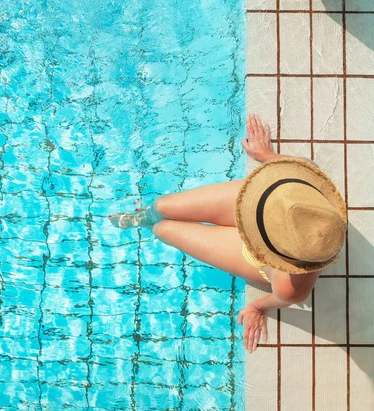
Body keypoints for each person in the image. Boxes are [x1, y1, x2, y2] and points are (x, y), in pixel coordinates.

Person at [108, 114, 348, 354]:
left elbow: (284, 298)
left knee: (163, 229)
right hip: (262, 206)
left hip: (254, 247)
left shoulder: (292, 285)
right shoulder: (310, 200)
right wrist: (267, 156)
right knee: (162, 207)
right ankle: (142, 217)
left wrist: (257, 307)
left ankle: (142, 222)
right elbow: (308, 166)